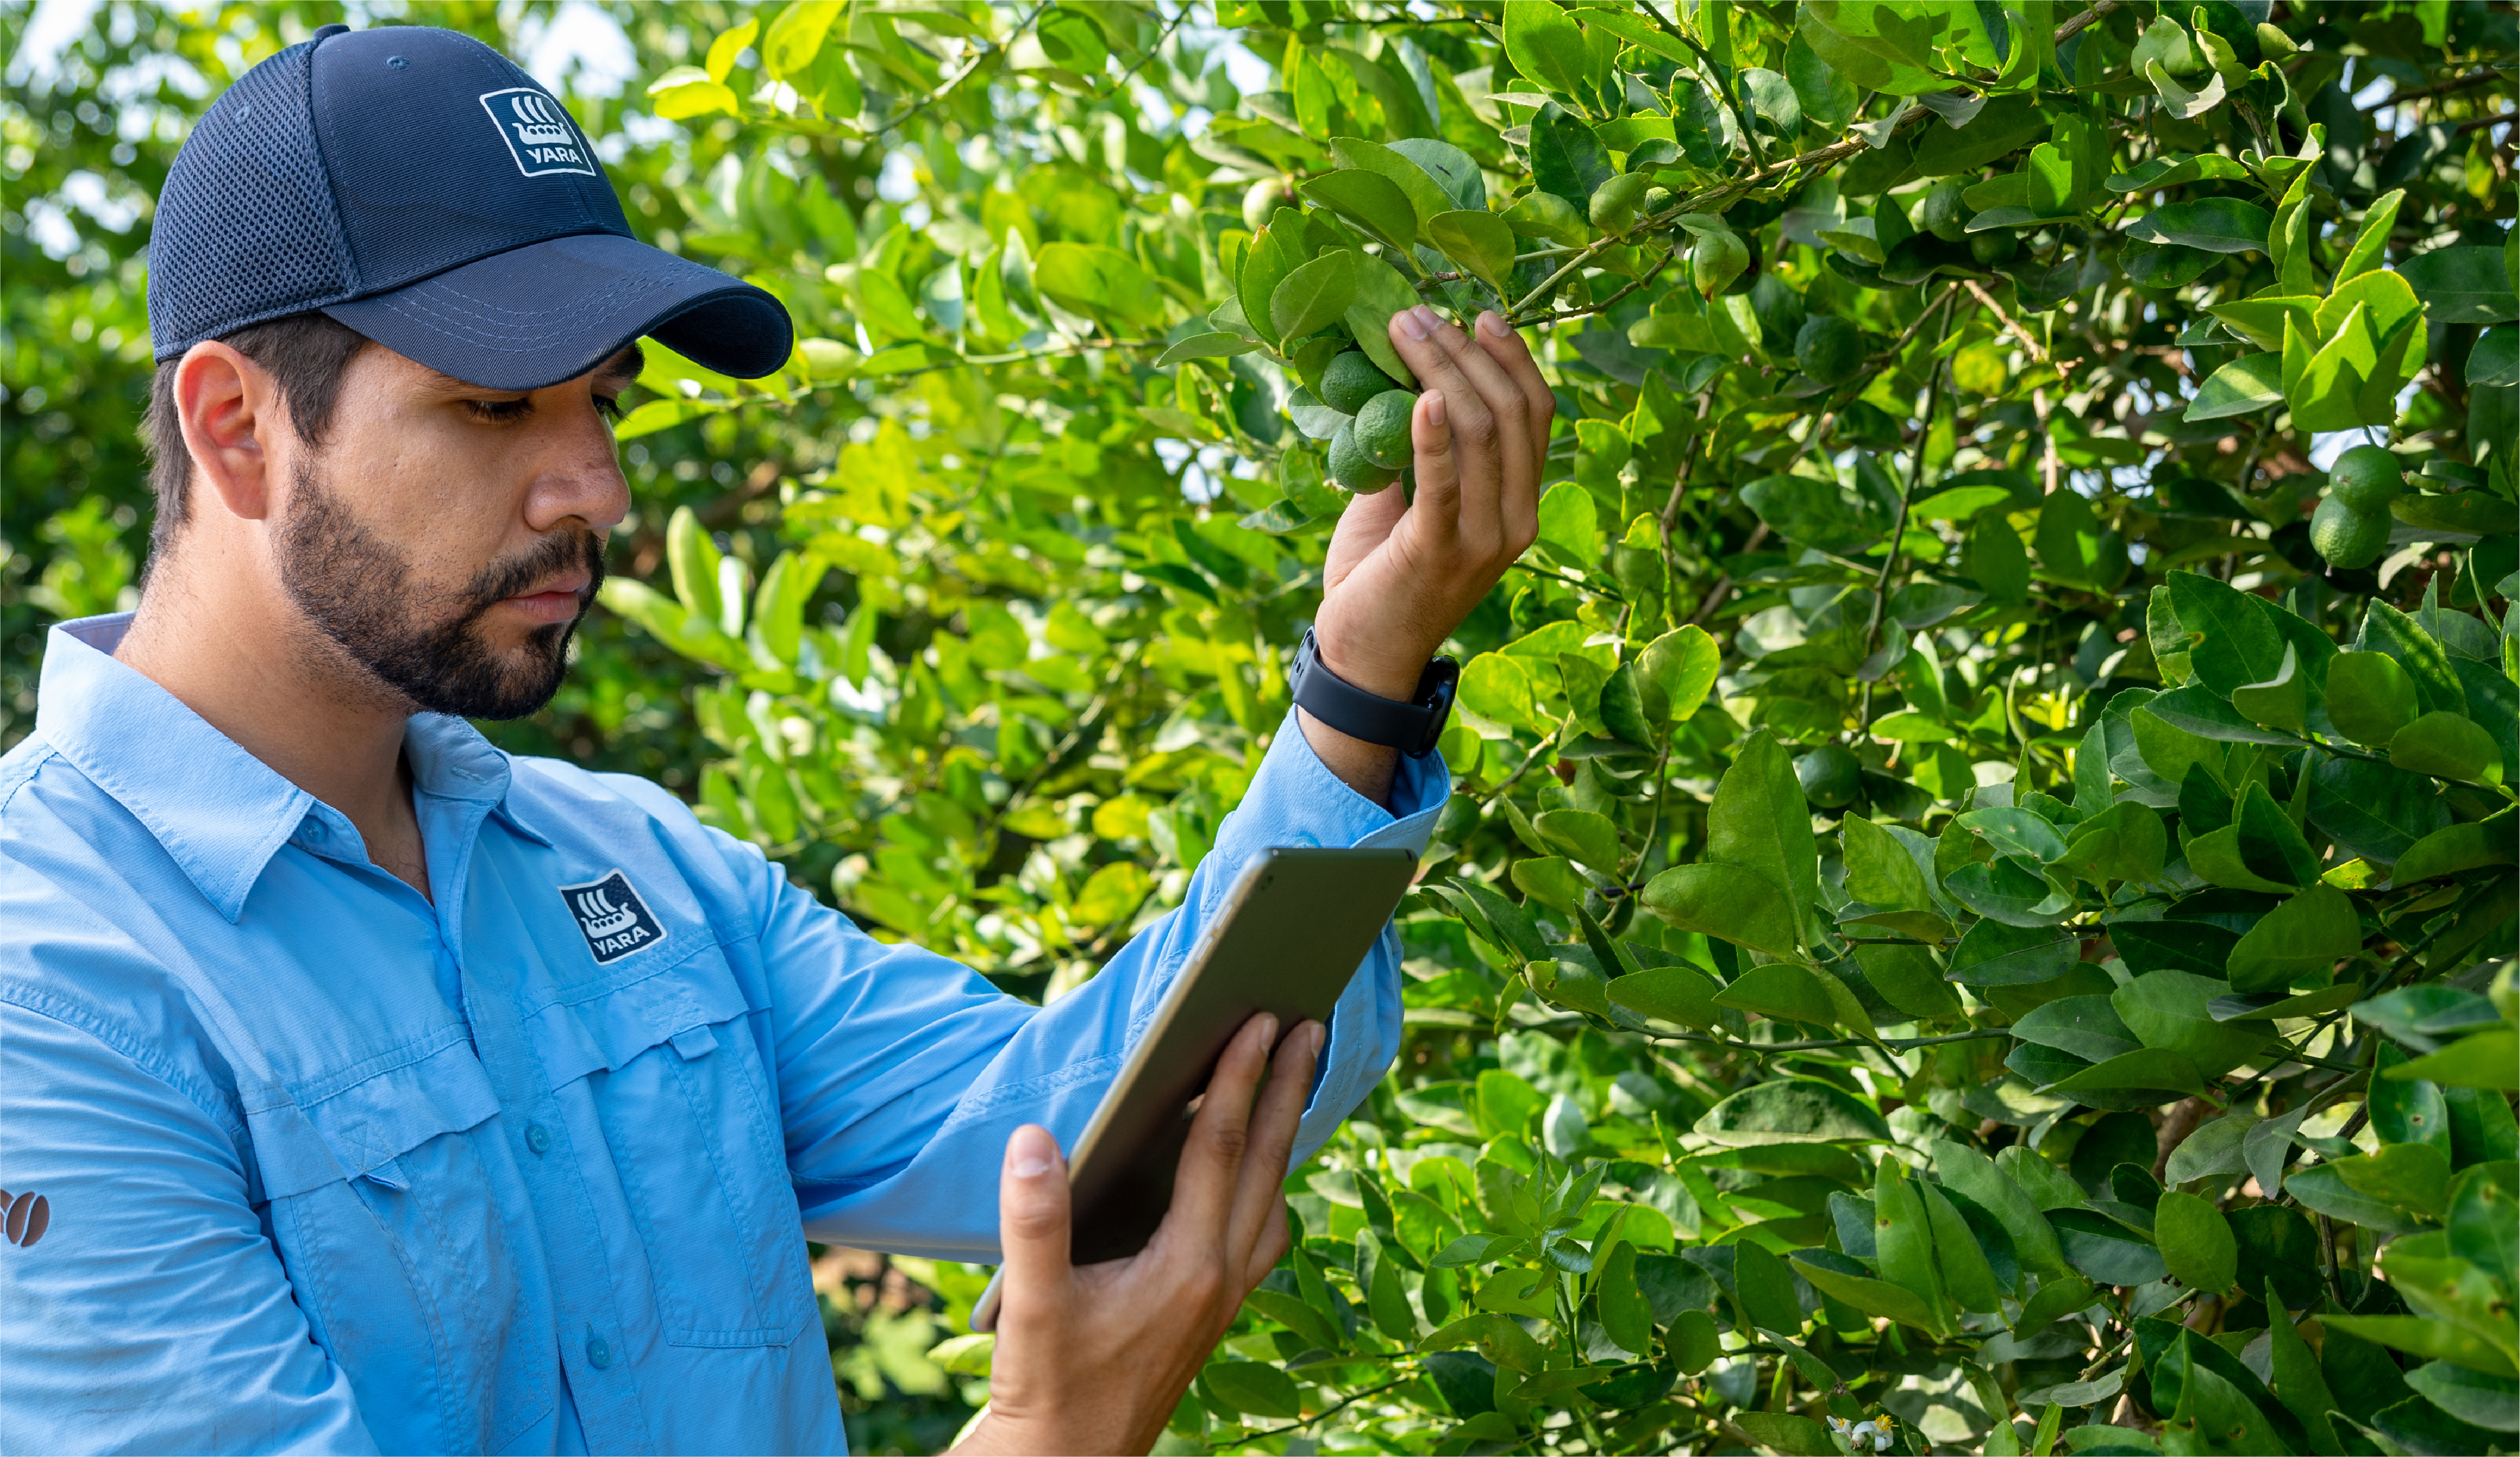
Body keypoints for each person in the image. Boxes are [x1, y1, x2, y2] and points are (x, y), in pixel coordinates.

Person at [0, 24, 1550, 1457]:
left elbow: (1095, 1118)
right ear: (236, 427)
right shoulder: (53, 989)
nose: (596, 492)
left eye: (601, 404)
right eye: (493, 411)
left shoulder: (630, 871)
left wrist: (1360, 686)